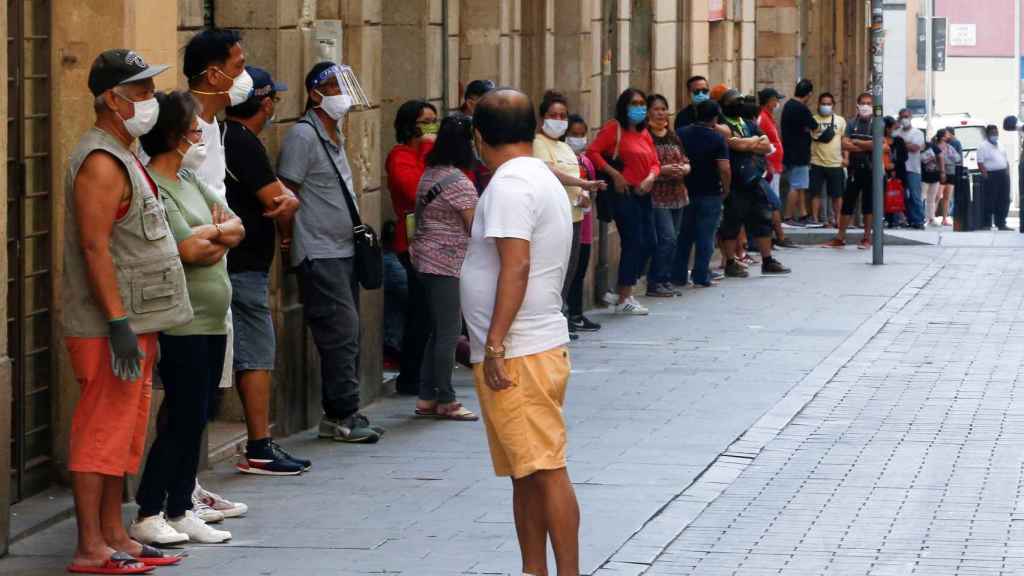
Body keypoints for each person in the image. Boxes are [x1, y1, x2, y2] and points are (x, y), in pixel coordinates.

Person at [63, 49, 192, 575]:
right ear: (110, 100)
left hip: (135, 321)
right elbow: (94, 248)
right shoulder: (99, 160)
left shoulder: (125, 151)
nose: (150, 100)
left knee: (122, 435)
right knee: (99, 434)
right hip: (109, 327)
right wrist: (116, 322)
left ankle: (116, 534)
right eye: (139, 91)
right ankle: (90, 547)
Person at [460, 87, 579, 576]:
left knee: (545, 468)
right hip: (531, 343)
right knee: (525, 471)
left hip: (519, 350)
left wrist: (494, 344)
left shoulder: (510, 184)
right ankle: (534, 569)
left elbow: (517, 264)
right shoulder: (536, 176)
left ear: (479, 135)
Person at [130, 91, 243, 547]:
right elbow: (188, 250)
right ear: (176, 137)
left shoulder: (189, 178)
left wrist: (214, 231)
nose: (201, 137)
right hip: (184, 320)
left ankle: (180, 507)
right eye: (195, 131)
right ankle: (149, 508)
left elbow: (238, 225)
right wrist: (216, 234)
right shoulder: (155, 185)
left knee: (199, 417)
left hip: (213, 319)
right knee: (181, 416)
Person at [278, 61, 385, 442]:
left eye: (343, 86)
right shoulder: (303, 137)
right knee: (340, 332)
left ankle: (342, 412)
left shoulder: (334, 132)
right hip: (319, 251)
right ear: (314, 92)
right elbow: (286, 192)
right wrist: (289, 240)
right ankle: (342, 414)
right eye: (333, 86)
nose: (341, 94)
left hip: (342, 250)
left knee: (348, 332)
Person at [222, 66, 309, 475]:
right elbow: (277, 201)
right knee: (256, 352)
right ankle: (259, 445)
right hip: (244, 269)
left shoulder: (224, 137)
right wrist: (287, 207)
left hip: (235, 266)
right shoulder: (242, 142)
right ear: (266, 101)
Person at [182, 26, 252, 519]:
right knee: (187, 394)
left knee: (205, 393)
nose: (242, 77)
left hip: (216, 275)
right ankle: (174, 495)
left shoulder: (215, 127)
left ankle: (189, 485)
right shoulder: (184, 126)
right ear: (213, 73)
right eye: (237, 65)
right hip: (190, 278)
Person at [410, 114, 479, 421]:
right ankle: (447, 399)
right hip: (446, 264)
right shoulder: (459, 183)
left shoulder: (430, 174)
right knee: (448, 332)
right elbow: (473, 226)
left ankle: (427, 397)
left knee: (437, 331)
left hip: (424, 259)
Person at [532, 90, 605, 328]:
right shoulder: (538, 144)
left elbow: (576, 175)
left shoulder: (564, 148)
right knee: (554, 271)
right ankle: (550, 320)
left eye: (563, 116)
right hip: (553, 217)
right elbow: (550, 171)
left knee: (570, 270)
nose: (559, 120)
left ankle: (560, 318)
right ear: (543, 118)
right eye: (554, 115)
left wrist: (584, 193)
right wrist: (583, 184)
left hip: (574, 215)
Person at [586, 88, 660, 315]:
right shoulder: (613, 130)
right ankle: (624, 297)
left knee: (650, 242)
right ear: (624, 106)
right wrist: (615, 174)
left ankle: (624, 289)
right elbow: (593, 152)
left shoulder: (645, 133)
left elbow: (655, 162)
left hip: (644, 193)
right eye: (634, 103)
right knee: (633, 241)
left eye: (641, 104)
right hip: (624, 193)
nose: (639, 108)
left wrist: (650, 178)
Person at [386, 100, 439, 395]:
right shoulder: (400, 156)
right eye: (425, 121)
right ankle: (410, 375)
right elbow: (419, 189)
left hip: (436, 241)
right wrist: (427, 148)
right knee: (421, 310)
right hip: (413, 243)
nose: (431, 126)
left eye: (434, 120)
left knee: (430, 312)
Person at [716, 90, 790, 277]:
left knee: (763, 218)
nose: (740, 104)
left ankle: (767, 260)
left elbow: (766, 145)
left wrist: (746, 142)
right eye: (735, 101)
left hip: (754, 178)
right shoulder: (722, 124)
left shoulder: (748, 123)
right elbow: (733, 145)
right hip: (735, 182)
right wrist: (752, 143)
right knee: (732, 223)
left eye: (741, 101)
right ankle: (731, 262)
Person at [674, 100, 731, 287]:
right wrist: (726, 188)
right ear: (715, 118)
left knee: (684, 235)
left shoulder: (681, 134)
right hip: (710, 193)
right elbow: (724, 168)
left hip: (685, 190)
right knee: (706, 236)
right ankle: (701, 276)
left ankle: (679, 275)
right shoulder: (717, 139)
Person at [646, 93, 690, 297]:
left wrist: (684, 169)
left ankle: (665, 279)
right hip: (657, 196)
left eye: (663, 109)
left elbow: (686, 160)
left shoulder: (673, 135)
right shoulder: (646, 136)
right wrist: (662, 171)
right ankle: (655, 280)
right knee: (667, 238)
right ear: (648, 112)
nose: (661, 113)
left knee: (675, 238)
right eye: (656, 109)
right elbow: (645, 166)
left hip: (678, 194)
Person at [565, 115, 602, 332]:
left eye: (581, 135)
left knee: (579, 271)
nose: (578, 139)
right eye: (573, 135)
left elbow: (593, 187)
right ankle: (566, 314)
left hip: (585, 224)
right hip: (569, 221)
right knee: (567, 271)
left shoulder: (586, 161)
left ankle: (577, 313)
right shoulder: (563, 161)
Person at [828, 92, 876, 248]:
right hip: (854, 169)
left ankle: (866, 238)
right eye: (863, 103)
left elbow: (878, 145)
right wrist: (865, 145)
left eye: (869, 103)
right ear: (857, 104)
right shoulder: (851, 123)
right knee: (848, 203)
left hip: (871, 170)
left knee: (868, 206)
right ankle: (840, 237)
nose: (865, 106)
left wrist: (857, 143)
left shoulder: (877, 123)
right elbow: (844, 144)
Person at [756, 88, 796, 249]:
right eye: (775, 99)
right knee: (772, 202)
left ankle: (778, 235)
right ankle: (778, 235)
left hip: (775, 166)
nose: (777, 103)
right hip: (769, 167)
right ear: (769, 101)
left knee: (774, 201)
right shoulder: (762, 118)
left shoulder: (768, 117)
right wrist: (768, 163)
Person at [780, 78, 818, 227]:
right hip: (799, 153)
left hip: (790, 152)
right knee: (796, 185)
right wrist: (807, 128)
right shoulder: (801, 108)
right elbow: (813, 125)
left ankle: (802, 214)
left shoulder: (788, 105)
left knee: (801, 184)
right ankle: (788, 217)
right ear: (808, 94)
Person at [809, 92, 846, 227]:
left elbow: (844, 140)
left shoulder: (840, 121)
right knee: (815, 193)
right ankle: (815, 219)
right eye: (823, 104)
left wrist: (846, 158)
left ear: (833, 105)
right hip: (816, 162)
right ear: (818, 104)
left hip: (836, 163)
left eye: (828, 104)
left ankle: (838, 220)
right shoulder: (812, 120)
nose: (826, 106)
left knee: (837, 194)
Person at [894, 108, 926, 229]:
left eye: (907, 116)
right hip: (899, 169)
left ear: (911, 117)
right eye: (902, 117)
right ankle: (908, 219)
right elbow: (892, 145)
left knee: (914, 195)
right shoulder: (896, 133)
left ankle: (918, 220)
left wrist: (901, 145)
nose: (904, 119)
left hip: (913, 168)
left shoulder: (917, 133)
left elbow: (915, 148)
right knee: (902, 196)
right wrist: (905, 144)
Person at [977, 124, 1012, 230]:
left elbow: (1005, 160)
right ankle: (987, 223)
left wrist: (1007, 172)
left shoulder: (1000, 144)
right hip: (991, 175)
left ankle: (1001, 223)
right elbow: (980, 163)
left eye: (996, 133)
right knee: (990, 200)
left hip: (1003, 174)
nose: (995, 135)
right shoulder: (982, 146)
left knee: (1004, 199)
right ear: (987, 134)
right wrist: (985, 175)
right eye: (993, 133)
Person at [921, 131, 946, 227]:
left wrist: (942, 171)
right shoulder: (918, 148)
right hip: (923, 177)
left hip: (934, 176)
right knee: (921, 197)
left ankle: (931, 218)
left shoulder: (931, 146)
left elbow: (941, 156)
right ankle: (922, 217)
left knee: (931, 198)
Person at [939, 129, 961, 226]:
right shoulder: (937, 146)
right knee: (937, 196)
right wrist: (949, 158)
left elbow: (958, 158)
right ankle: (930, 218)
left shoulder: (950, 147)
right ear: (943, 137)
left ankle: (944, 219)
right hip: (941, 173)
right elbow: (940, 159)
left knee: (947, 197)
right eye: (947, 135)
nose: (949, 136)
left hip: (951, 173)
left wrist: (947, 157)